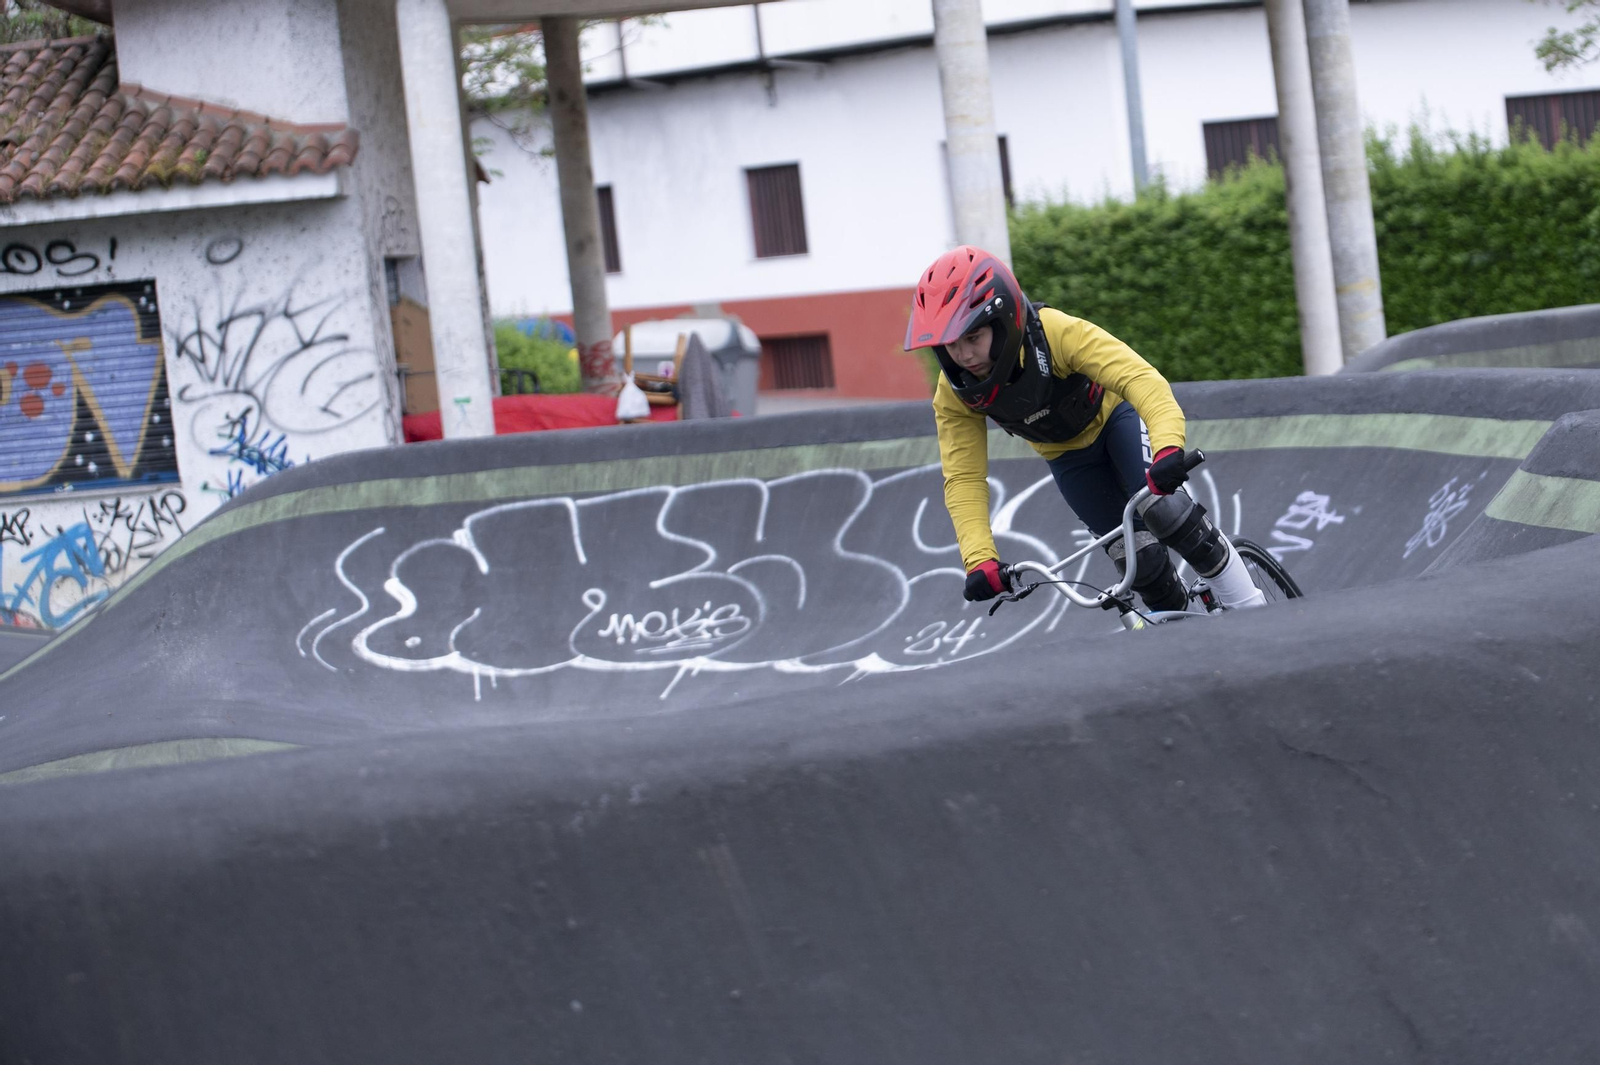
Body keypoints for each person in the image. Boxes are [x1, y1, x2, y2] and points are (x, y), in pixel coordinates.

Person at [905, 245, 1265, 613]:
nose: (963, 356)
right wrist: (979, 559)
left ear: (1005, 321)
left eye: (973, 337)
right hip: (1068, 458)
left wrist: (1167, 448)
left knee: (1168, 513)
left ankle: (1257, 612)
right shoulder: (954, 394)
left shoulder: (1055, 333)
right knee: (1140, 568)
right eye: (949, 344)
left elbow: (1141, 380)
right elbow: (963, 478)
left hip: (1115, 421)